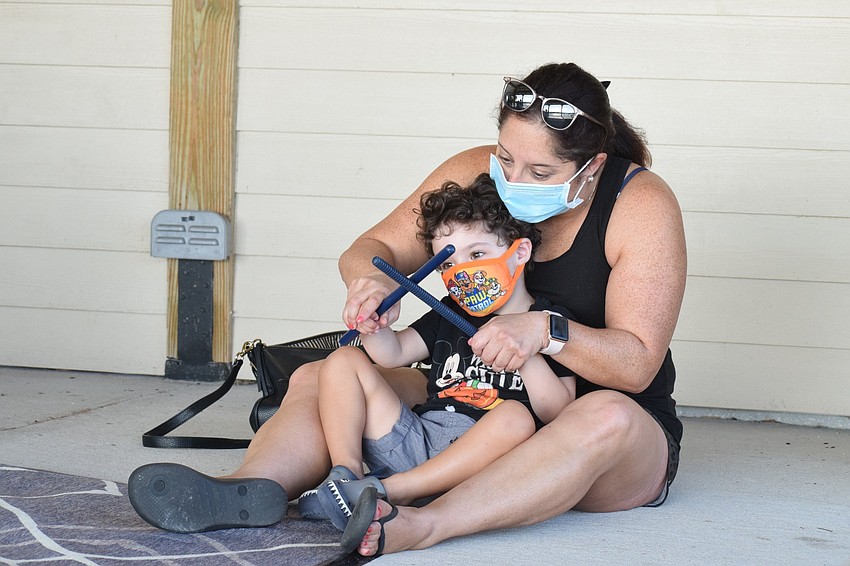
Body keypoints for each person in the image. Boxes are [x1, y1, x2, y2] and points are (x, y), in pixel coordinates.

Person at [129, 61, 686, 558]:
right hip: (474, 403)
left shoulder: (637, 204)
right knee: (324, 374)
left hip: (586, 429)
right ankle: (254, 488)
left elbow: (636, 365)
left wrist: (545, 330)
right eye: (507, 159)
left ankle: (422, 523)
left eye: (540, 174)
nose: (513, 182)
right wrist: (370, 286)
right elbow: (372, 250)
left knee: (606, 415)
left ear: (592, 166)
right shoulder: (476, 170)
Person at [304, 175, 576, 531]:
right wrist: (375, 324)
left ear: (519, 253)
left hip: (483, 463)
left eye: (477, 254)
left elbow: (561, 411)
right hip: (416, 439)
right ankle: (347, 479)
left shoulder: (546, 322)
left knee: (516, 417)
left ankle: (389, 491)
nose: (462, 273)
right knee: (343, 360)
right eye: (447, 265)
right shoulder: (452, 312)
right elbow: (394, 354)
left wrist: (525, 354)